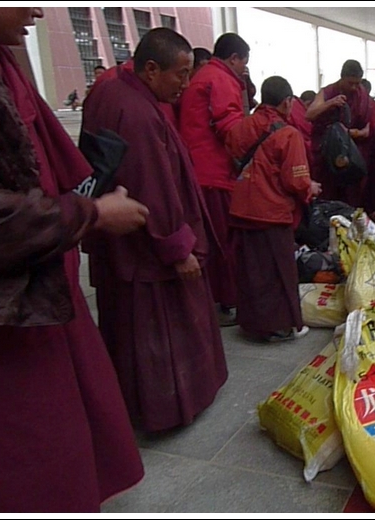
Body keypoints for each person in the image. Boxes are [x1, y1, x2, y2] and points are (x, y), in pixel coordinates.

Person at [0, 7, 148, 511]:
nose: (38, 9)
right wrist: (92, 214)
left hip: (42, 283)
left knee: (71, 436)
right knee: (17, 462)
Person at [81, 27, 228, 433]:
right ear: (150, 69)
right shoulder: (137, 113)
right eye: (180, 74)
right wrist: (178, 248)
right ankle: (166, 412)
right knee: (159, 333)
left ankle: (134, 405)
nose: (186, 83)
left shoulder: (111, 93)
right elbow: (151, 186)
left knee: (127, 330)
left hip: (121, 244)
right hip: (147, 247)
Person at [225, 76, 322, 342]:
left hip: (242, 208)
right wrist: (310, 187)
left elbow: (232, 153)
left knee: (251, 271)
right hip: (271, 211)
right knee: (278, 272)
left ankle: (250, 323)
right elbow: (295, 179)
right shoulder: (288, 134)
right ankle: (280, 326)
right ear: (287, 102)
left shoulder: (243, 127)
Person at [178, 32, 251, 327]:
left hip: (201, 169)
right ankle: (226, 303)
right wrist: (259, 143)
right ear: (233, 58)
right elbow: (230, 126)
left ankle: (216, 300)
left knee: (211, 239)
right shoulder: (219, 79)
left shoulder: (205, 75)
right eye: (243, 63)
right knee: (223, 242)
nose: (243, 69)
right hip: (213, 173)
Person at [306, 59, 373, 207]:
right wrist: (331, 103)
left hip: (351, 154)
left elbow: (368, 130)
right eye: (350, 83)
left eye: (357, 83)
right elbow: (309, 115)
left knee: (351, 198)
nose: (354, 87)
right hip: (327, 153)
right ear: (342, 78)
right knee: (328, 196)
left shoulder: (363, 96)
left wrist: (350, 133)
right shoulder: (328, 92)